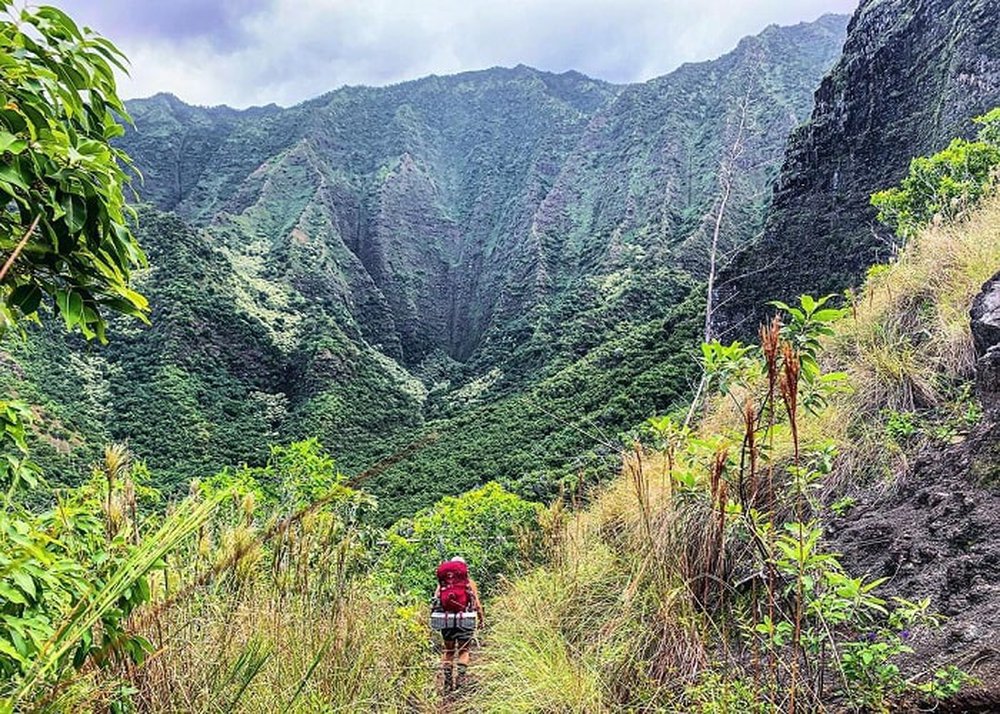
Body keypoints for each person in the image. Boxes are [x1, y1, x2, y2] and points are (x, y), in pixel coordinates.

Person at [433, 556, 484, 691]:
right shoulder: (469, 583)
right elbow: (476, 604)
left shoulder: (443, 585)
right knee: (464, 651)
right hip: (465, 620)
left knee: (449, 651)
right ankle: (460, 681)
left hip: (447, 621)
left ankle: (448, 682)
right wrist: (481, 619)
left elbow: (436, 601)